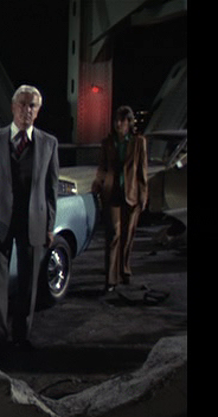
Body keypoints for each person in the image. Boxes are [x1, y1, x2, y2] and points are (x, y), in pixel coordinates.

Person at [0, 85, 59, 349]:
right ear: (13, 107)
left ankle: (21, 336)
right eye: (22, 104)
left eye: (32, 106)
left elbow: (51, 189)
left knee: (29, 283)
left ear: (37, 111)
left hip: (34, 221)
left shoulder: (49, 143)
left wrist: (50, 226)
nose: (26, 110)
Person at [91, 106, 148, 292]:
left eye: (122, 121)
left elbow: (142, 171)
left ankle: (124, 269)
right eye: (116, 120)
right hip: (112, 192)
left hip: (131, 193)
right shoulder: (108, 142)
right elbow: (102, 167)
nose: (118, 124)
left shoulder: (139, 142)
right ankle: (110, 279)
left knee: (128, 235)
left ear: (129, 123)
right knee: (113, 234)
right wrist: (97, 185)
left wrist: (143, 195)